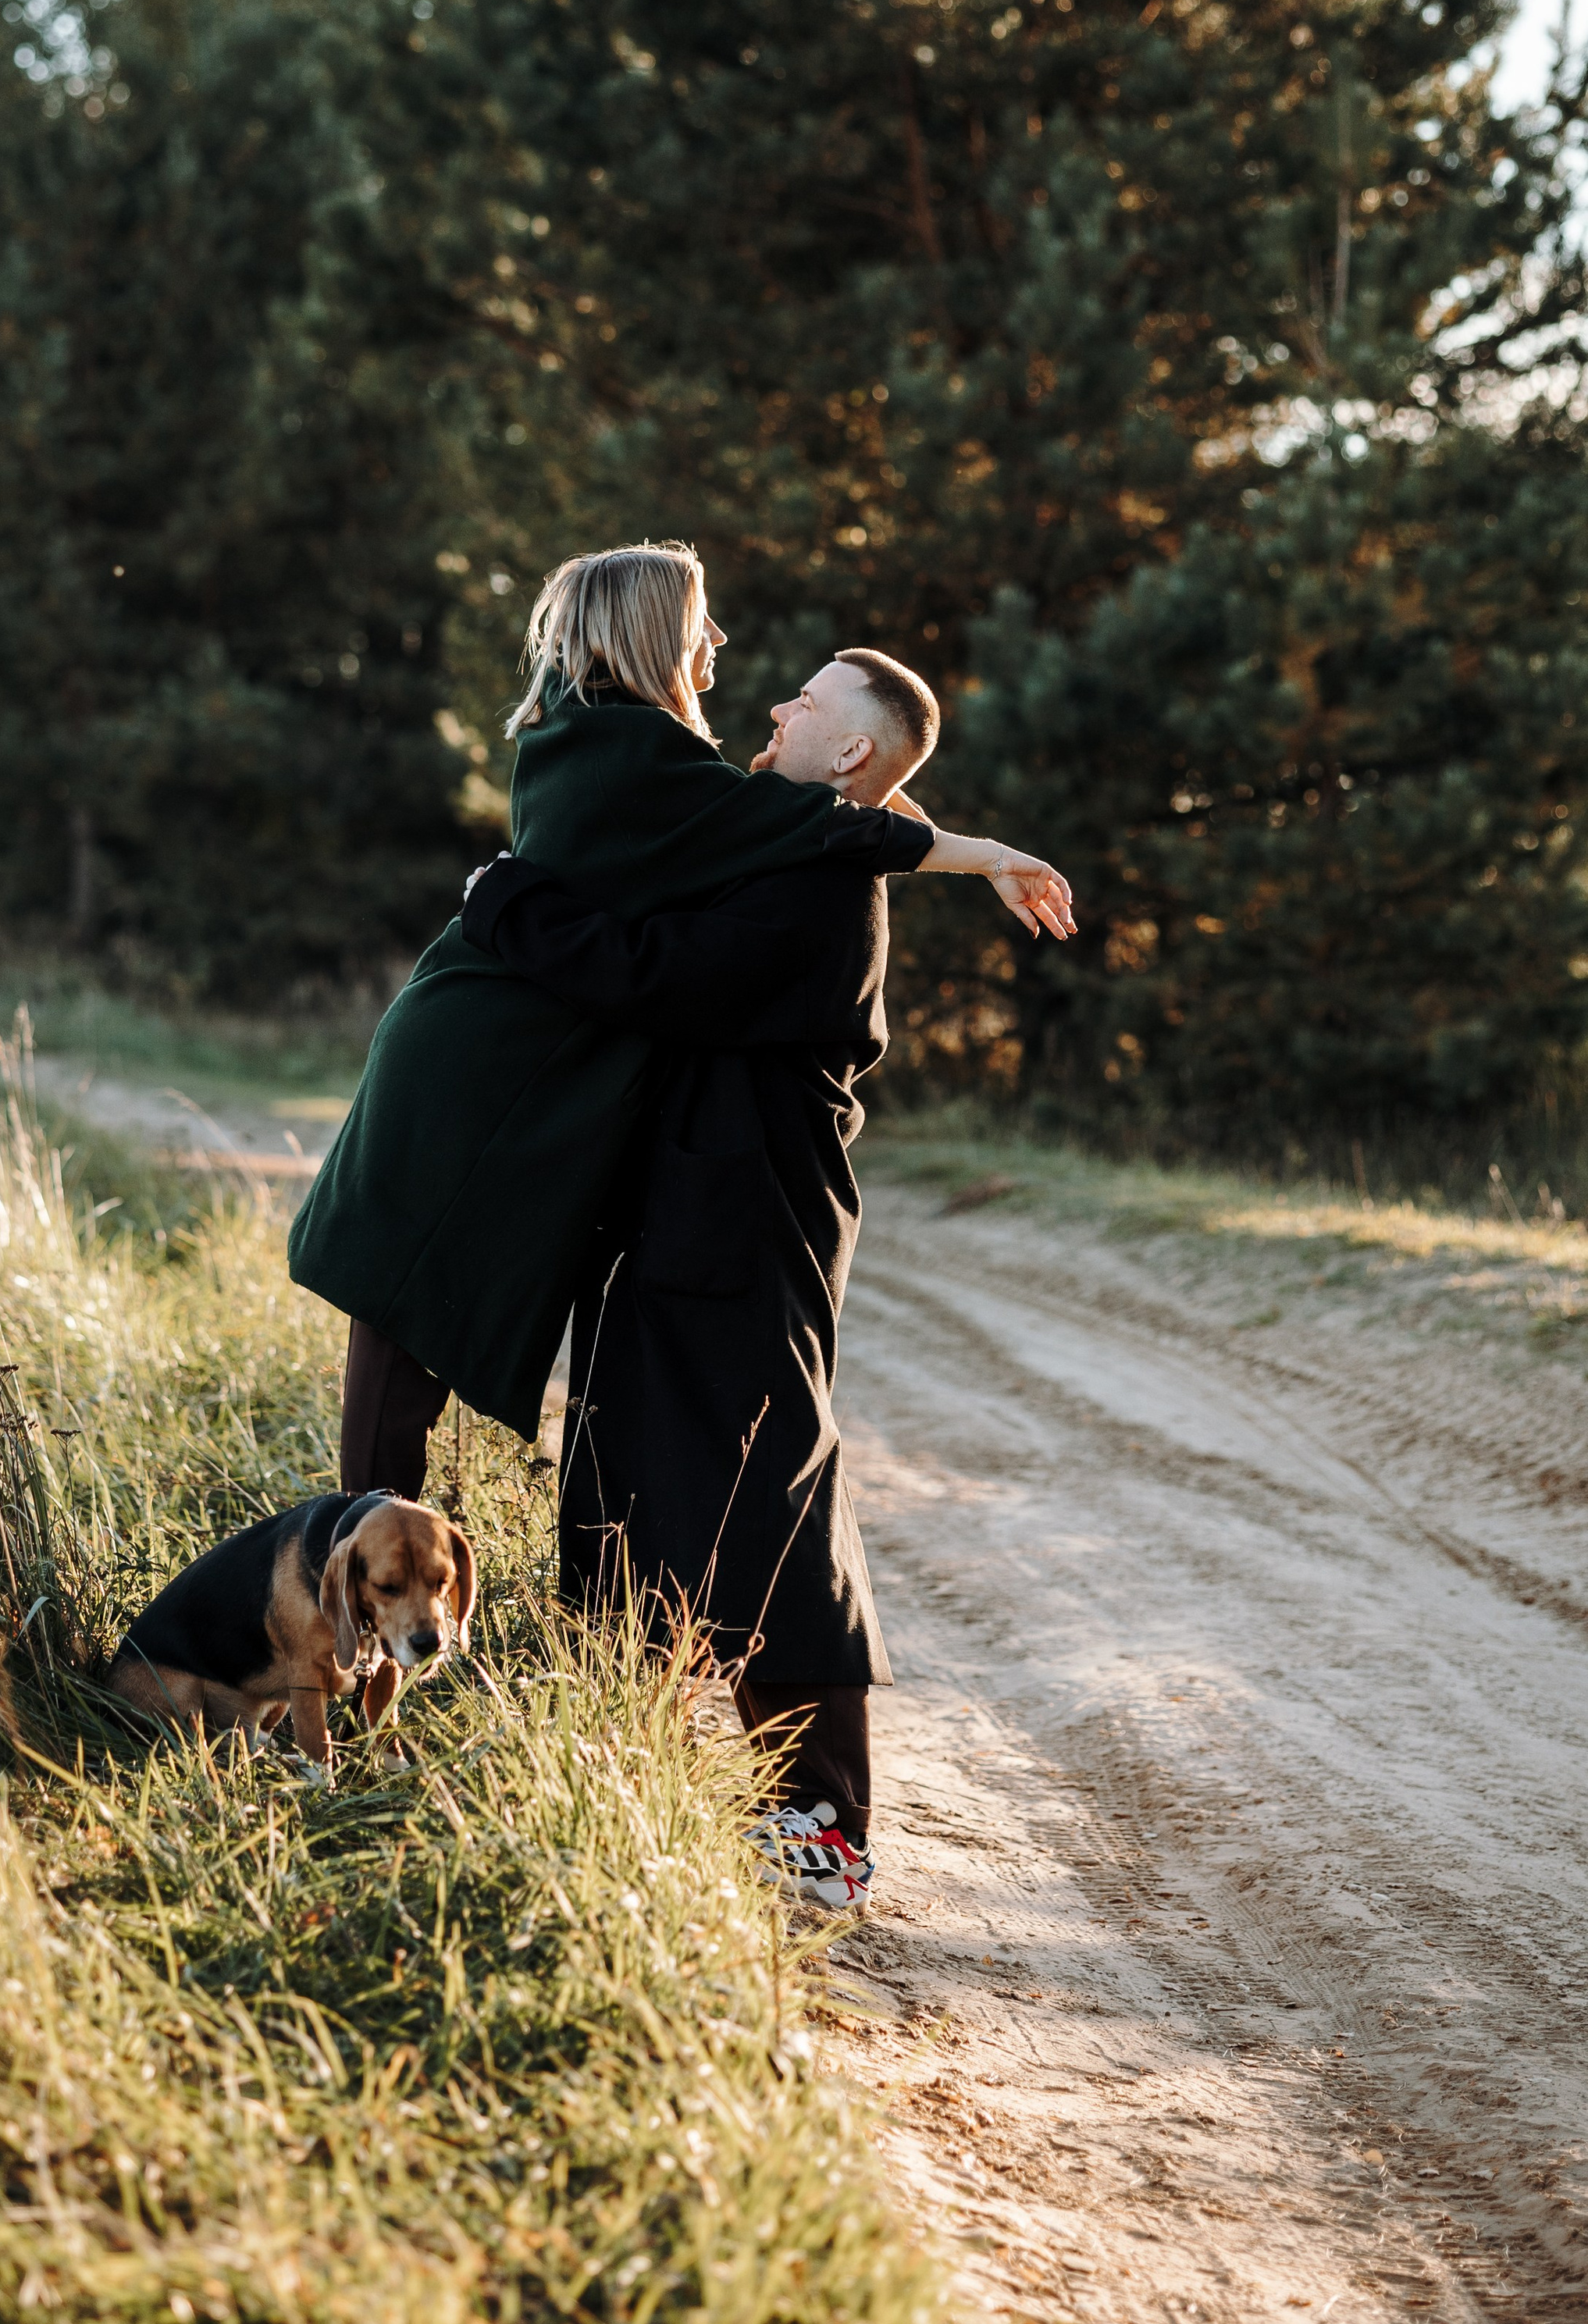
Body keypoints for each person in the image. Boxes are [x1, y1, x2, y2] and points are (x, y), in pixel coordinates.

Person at [459, 647, 1074, 1907]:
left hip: (747, 1228)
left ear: (849, 755)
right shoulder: (791, 840)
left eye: (806, 702)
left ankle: (823, 1829)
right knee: (631, 1474)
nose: (778, 706)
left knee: (766, 1495)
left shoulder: (819, 881)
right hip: (680, 1218)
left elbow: (650, 975)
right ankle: (617, 1766)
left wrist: (505, 899)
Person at [292, 543, 928, 1486]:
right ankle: (365, 1583)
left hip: (480, 1051)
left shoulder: (596, 736)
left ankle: (371, 1571)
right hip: (482, 1069)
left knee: (407, 1324)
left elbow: (810, 810)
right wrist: (981, 853)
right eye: (697, 620)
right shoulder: (638, 752)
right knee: (402, 1325)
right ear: (650, 635)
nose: (716, 636)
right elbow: (835, 825)